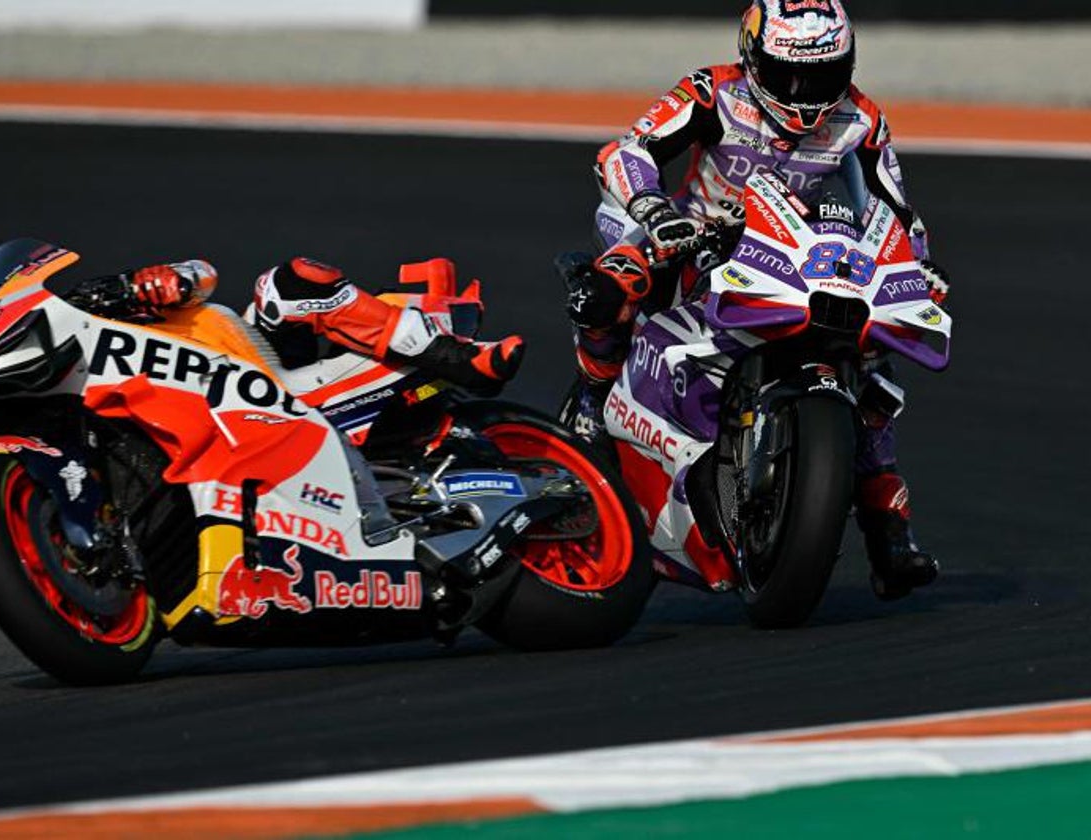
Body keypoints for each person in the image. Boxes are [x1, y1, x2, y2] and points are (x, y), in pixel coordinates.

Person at [561, 0, 946, 600]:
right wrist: (656, 213)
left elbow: (897, 210)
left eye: (822, 76)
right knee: (614, 283)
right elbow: (625, 151)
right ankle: (590, 395)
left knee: (872, 364)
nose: (805, 93)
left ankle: (890, 533)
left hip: (803, 260)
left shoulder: (862, 121)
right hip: (696, 238)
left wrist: (919, 267)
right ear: (752, 59)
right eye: (788, 75)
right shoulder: (712, 93)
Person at [123, 256, 524, 393]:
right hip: (198, 428)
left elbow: (203, 273)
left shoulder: (94, 310)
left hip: (243, 375)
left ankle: (456, 357)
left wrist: (172, 278)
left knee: (291, 281)